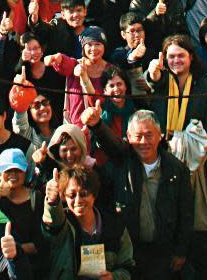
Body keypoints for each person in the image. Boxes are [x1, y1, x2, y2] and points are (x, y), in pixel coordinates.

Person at [80, 107, 193, 280]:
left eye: (149, 135)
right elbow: (111, 144)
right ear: (128, 136)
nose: (143, 142)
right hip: (129, 250)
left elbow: (186, 214)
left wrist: (181, 251)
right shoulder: (122, 160)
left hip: (163, 251)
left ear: (160, 134)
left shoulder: (177, 170)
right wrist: (97, 125)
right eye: (138, 136)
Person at [42, 165, 134, 280]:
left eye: (83, 194)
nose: (78, 200)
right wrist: (52, 201)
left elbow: (127, 267)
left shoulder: (115, 225)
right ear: (64, 197)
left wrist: (113, 277)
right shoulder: (62, 224)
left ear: (94, 195)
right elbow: (51, 223)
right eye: (72, 195)